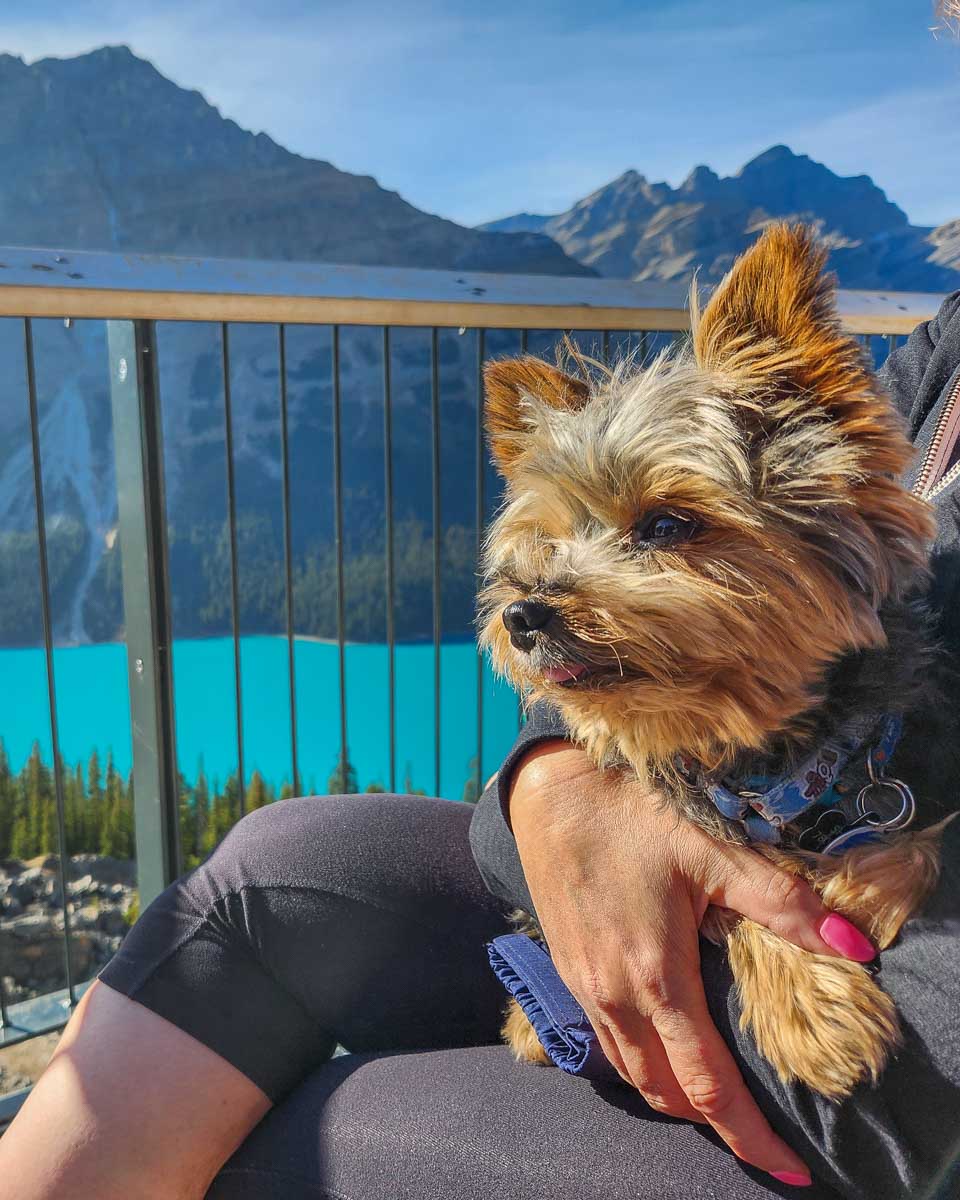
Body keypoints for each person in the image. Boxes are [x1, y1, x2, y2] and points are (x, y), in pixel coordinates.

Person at [3, 23, 960, 1199]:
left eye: (664, 528)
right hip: (758, 828)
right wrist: (560, 781)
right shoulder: (940, 367)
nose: (542, 603)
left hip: (893, 1073)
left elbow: (883, 1075)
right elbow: (544, 738)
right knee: (271, 870)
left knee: (298, 1137)